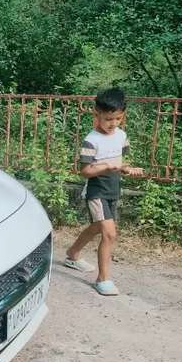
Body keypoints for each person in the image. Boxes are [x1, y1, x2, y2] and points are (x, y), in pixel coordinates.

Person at [64, 87, 143, 295]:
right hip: (96, 192)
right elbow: (85, 171)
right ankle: (103, 279)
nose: (113, 124)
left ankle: (72, 254)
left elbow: (121, 162)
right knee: (109, 234)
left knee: (97, 227)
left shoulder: (122, 136)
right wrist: (107, 166)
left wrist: (128, 169)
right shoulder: (91, 140)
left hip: (113, 190)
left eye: (118, 119)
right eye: (109, 119)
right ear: (96, 114)